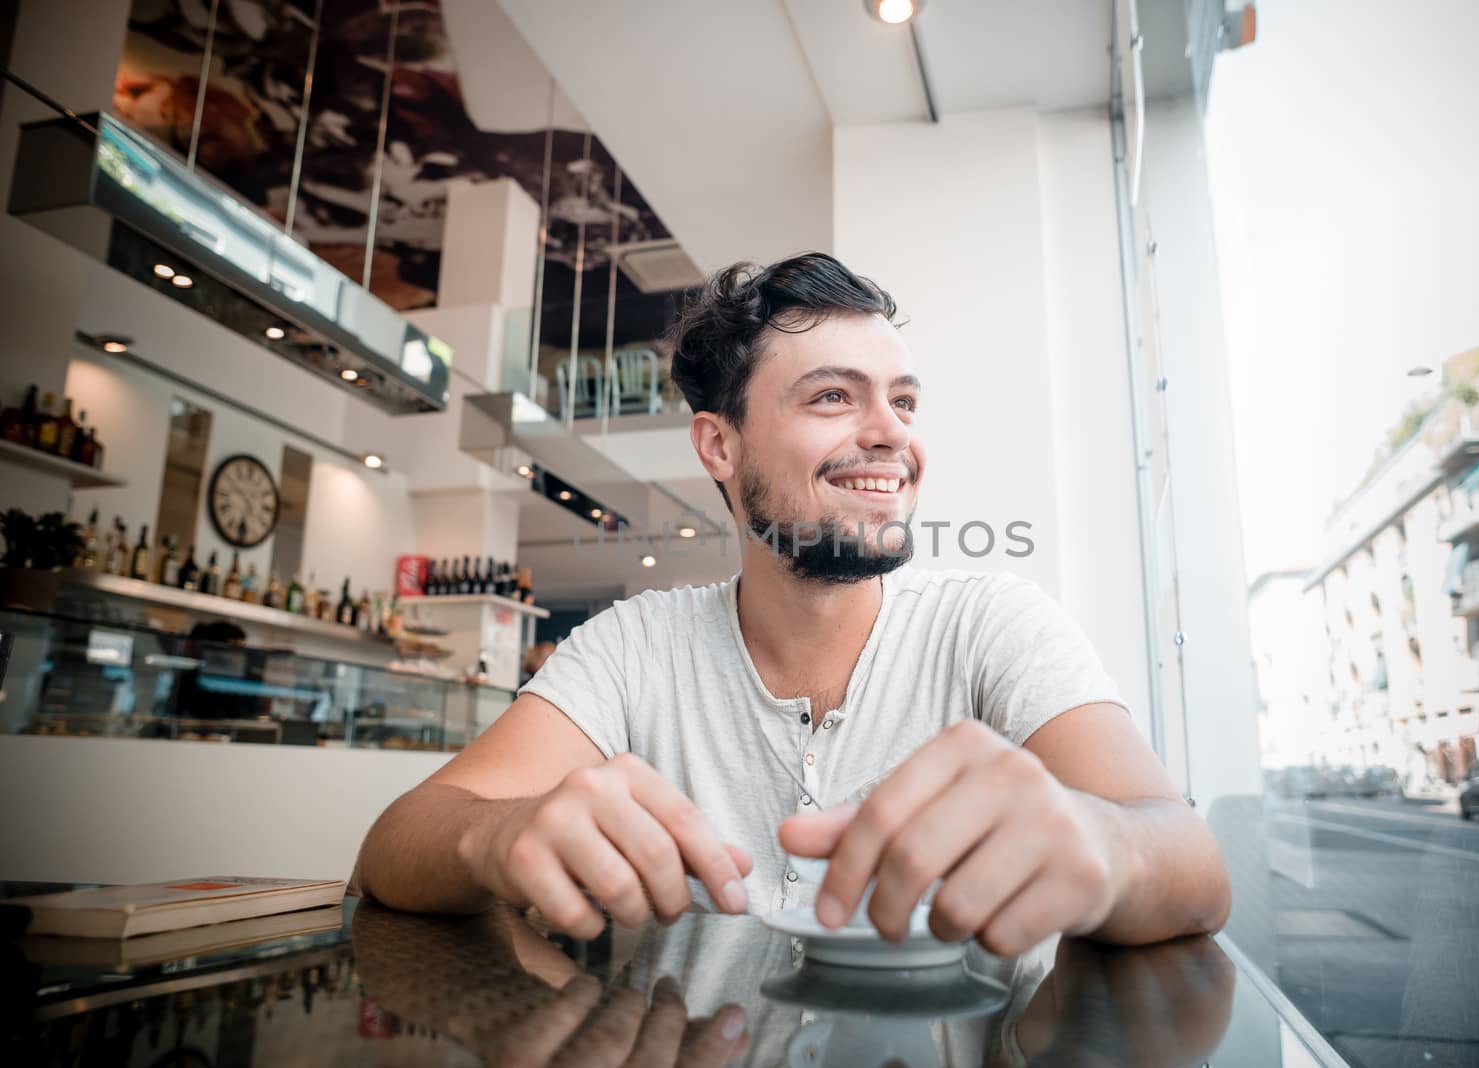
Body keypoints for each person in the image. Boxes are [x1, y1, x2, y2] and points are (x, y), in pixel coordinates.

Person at [356, 253, 1231, 953]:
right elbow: (396, 844)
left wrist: (1100, 842)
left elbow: (1195, 871)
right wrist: (499, 837)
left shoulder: (994, 626)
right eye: (833, 396)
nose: (893, 431)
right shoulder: (634, 649)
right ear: (720, 445)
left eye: (904, 401)